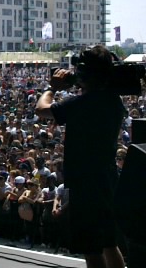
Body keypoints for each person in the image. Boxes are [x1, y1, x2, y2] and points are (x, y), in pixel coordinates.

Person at [36, 45, 125, 268]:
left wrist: (52, 87)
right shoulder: (114, 101)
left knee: (91, 249)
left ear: (85, 74)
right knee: (109, 243)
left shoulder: (82, 104)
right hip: (107, 178)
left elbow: (42, 109)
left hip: (85, 183)